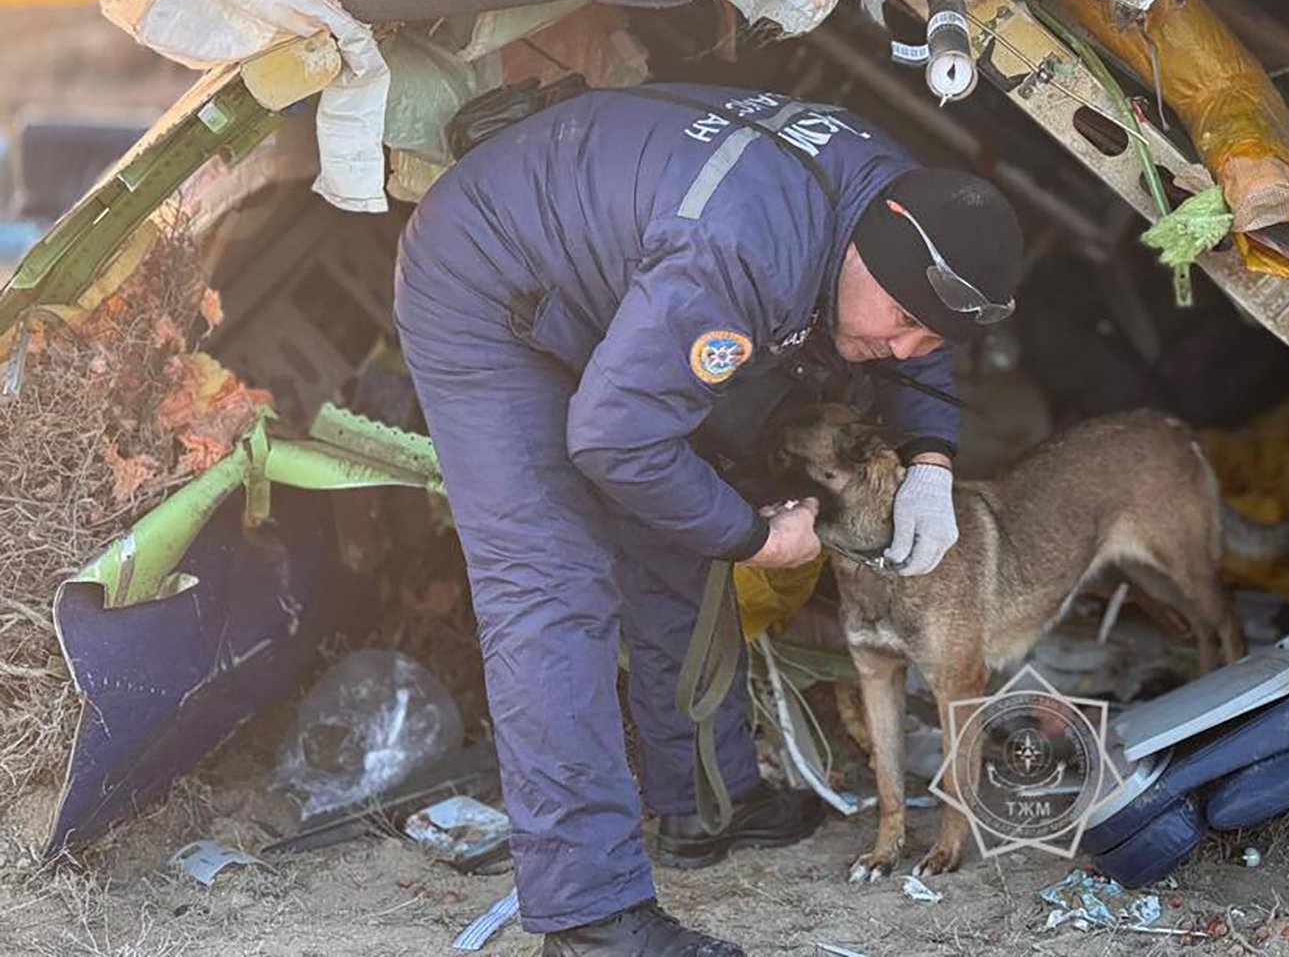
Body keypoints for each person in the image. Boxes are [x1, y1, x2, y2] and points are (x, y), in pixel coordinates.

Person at [393, 82, 1025, 957]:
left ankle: (707, 803)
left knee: (673, 534)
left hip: (612, 269)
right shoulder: (742, 254)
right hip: (487, 277)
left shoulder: (895, 200)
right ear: (865, 257)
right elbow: (615, 440)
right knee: (551, 585)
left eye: (933, 337)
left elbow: (916, 338)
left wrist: (931, 457)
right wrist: (760, 539)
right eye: (905, 322)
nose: (907, 350)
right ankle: (589, 917)